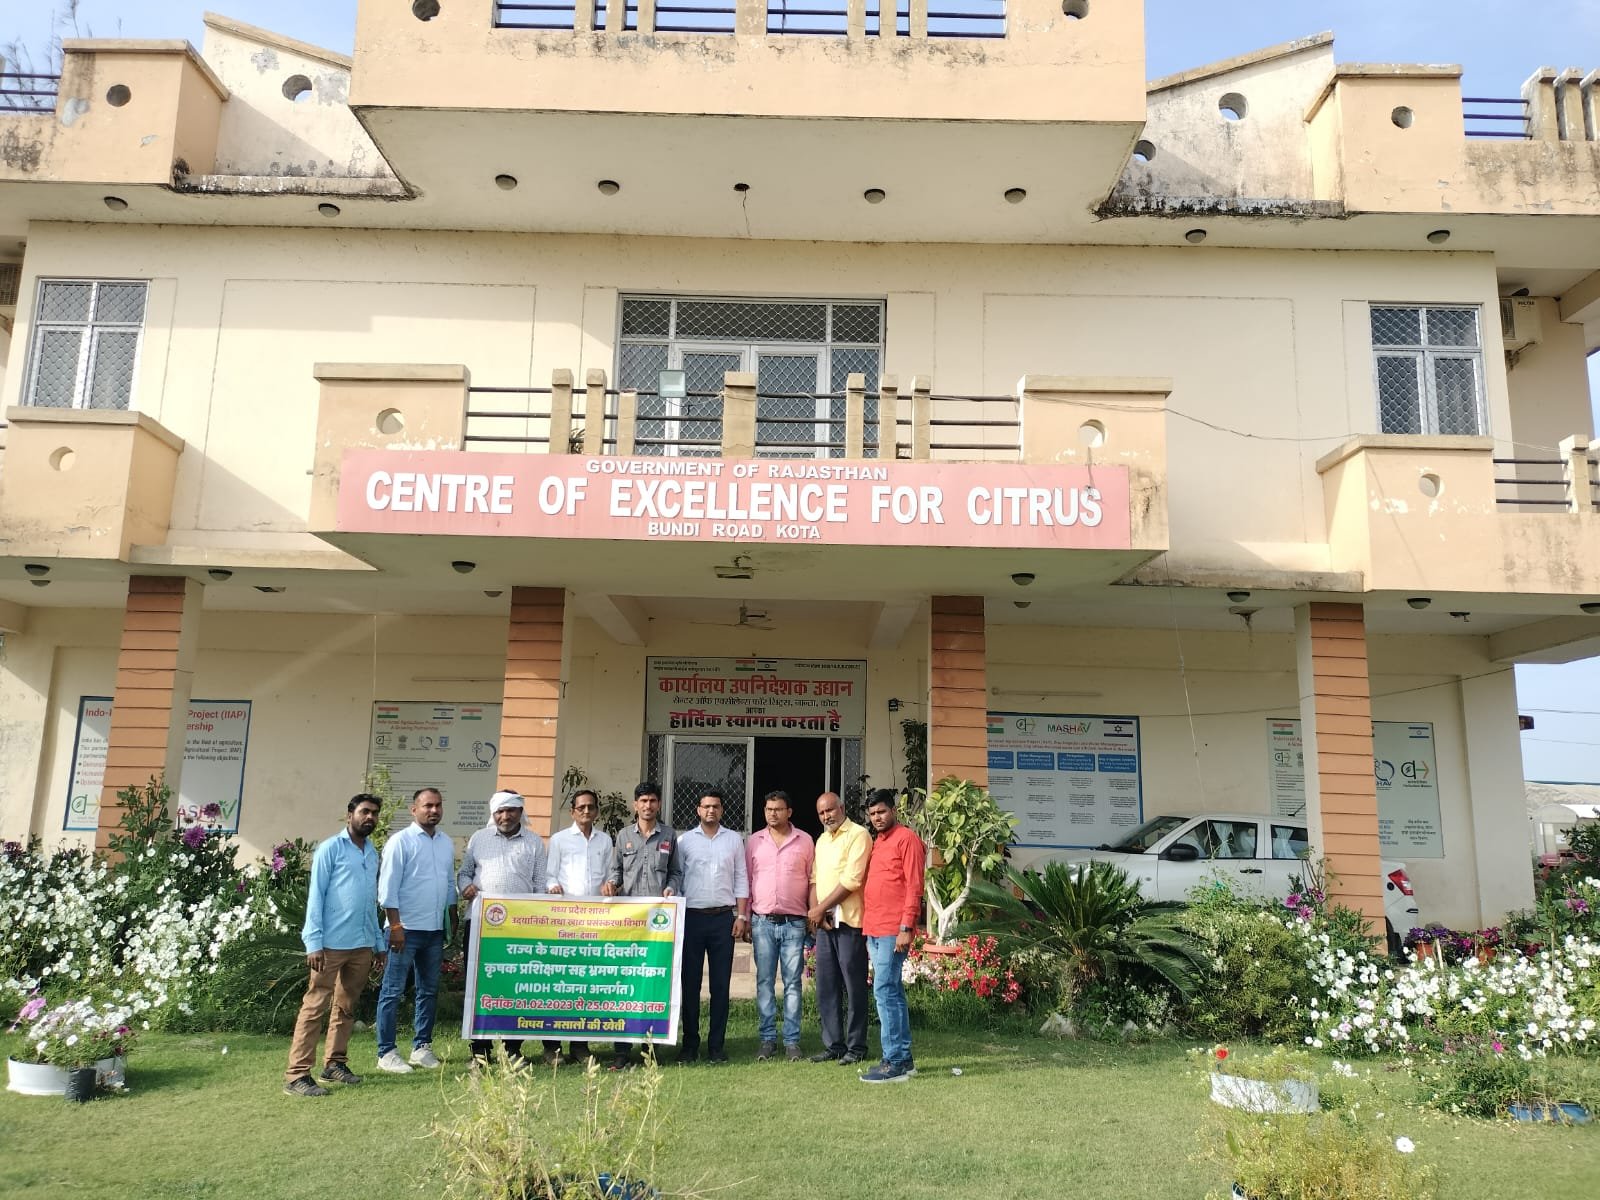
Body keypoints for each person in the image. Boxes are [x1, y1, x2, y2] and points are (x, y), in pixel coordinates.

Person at [283, 793, 386, 1097]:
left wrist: (378, 943)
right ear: (350, 815)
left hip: (362, 944)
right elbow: (316, 896)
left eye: (374, 813)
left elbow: (370, 902)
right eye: (365, 811)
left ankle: (335, 1064)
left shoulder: (372, 853)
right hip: (329, 944)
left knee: (346, 1006)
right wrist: (313, 941)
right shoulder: (331, 848)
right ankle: (297, 1075)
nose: (370, 817)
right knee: (315, 1006)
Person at [458, 790, 546, 1064]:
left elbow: (540, 885)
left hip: (520, 928)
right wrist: (465, 887)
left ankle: (512, 1049)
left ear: (520, 812)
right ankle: (480, 1050)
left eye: (510, 810)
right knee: (479, 985)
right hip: (481, 925)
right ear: (493, 813)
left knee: (516, 986)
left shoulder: (534, 842)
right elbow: (464, 873)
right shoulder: (479, 838)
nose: (505, 816)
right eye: (499, 811)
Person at [375, 786, 457, 1074]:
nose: (434, 810)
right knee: (392, 991)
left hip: (433, 930)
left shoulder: (445, 842)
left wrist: (452, 915)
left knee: (428, 991)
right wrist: (396, 926)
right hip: (404, 930)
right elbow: (387, 890)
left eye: (438, 805)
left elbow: (449, 883)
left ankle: (421, 1047)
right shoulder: (400, 842)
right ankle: (386, 1052)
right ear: (414, 810)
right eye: (427, 806)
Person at [601, 781, 682, 1069]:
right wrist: (611, 885)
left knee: (654, 984)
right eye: (643, 801)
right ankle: (621, 1050)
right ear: (635, 805)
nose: (648, 806)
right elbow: (615, 872)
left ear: (659, 804)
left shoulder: (669, 836)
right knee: (624, 985)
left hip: (658, 926)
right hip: (629, 923)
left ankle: (652, 1048)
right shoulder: (623, 835)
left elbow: (675, 872)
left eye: (652, 801)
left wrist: (671, 888)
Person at [674, 788, 748, 1064]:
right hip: (691, 919)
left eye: (715, 806)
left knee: (720, 986)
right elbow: (677, 878)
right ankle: (690, 1045)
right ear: (698, 810)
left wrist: (741, 916)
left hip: (722, 920)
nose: (711, 811)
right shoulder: (684, 841)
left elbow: (741, 878)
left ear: (722, 810)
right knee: (690, 984)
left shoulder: (734, 840)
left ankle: (716, 1046)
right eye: (706, 806)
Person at [543, 788, 614, 1064]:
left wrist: (611, 885)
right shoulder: (559, 840)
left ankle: (580, 1045)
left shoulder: (604, 841)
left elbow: (610, 875)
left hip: (594, 923)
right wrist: (553, 886)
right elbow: (549, 874)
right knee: (558, 985)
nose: (586, 811)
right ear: (572, 811)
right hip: (564, 921)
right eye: (581, 807)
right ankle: (552, 1047)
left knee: (585, 985)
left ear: (596, 811)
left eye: (591, 807)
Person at [859, 789, 924, 1084]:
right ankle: (904, 1059)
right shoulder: (878, 842)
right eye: (872, 814)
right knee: (892, 992)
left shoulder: (906, 839)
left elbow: (914, 886)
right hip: (874, 928)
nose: (877, 818)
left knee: (884, 991)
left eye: (882, 812)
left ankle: (894, 1062)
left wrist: (905, 928)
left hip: (893, 930)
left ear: (894, 810)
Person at [746, 789, 814, 1062]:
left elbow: (812, 880)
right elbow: (747, 881)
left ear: (789, 812)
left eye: (778, 809)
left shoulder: (805, 841)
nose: (772, 814)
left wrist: (812, 915)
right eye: (768, 809)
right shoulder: (754, 841)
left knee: (792, 983)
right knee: (764, 981)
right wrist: (745, 918)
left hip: (794, 923)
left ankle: (792, 1041)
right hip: (762, 922)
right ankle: (767, 1039)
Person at [806, 790, 872, 1067]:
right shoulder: (822, 840)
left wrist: (820, 909)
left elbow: (852, 880)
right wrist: (816, 913)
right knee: (827, 986)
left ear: (842, 808)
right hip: (825, 925)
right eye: (821, 813)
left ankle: (856, 1047)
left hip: (849, 923)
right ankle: (834, 1045)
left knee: (853, 987)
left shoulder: (858, 835)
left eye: (830, 810)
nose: (826, 816)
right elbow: (814, 879)